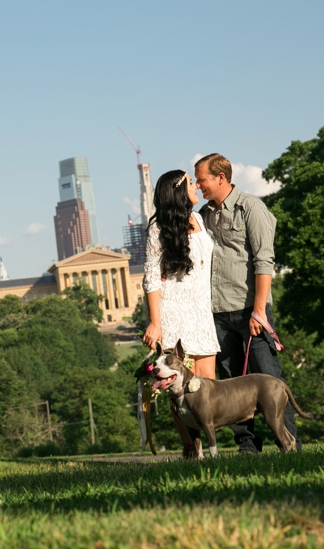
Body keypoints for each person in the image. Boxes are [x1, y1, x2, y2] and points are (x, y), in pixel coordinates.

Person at [194, 153, 301, 454]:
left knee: (269, 382)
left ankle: (290, 446)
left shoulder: (251, 208)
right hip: (217, 313)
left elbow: (265, 262)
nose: (198, 184)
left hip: (250, 312)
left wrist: (258, 311)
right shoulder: (203, 216)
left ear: (220, 178)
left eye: (201, 178)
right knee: (229, 386)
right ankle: (247, 447)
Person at [141, 169, 220, 457]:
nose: (196, 186)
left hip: (201, 312)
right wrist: (155, 322)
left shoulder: (197, 218)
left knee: (206, 386)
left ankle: (208, 449)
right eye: (190, 183)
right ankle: (191, 448)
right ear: (177, 191)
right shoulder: (157, 229)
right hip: (173, 312)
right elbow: (151, 277)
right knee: (179, 389)